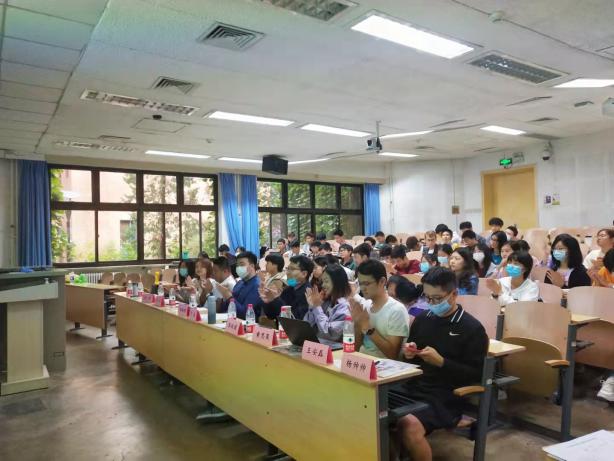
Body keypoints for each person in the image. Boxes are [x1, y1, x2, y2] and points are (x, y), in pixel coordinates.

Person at [395, 267, 488, 461]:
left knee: (408, 425)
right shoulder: (423, 319)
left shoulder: (472, 328)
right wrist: (409, 353)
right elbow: (411, 359)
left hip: (446, 395)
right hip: (414, 385)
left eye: (437, 299)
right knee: (376, 410)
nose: (431, 304)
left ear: (454, 294)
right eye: (427, 298)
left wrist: (442, 363)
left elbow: (475, 375)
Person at [349, 260, 409, 359]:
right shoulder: (365, 306)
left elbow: (393, 355)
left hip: (383, 366)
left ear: (382, 281)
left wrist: (367, 327)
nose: (362, 288)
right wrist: (357, 324)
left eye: (367, 283)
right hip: (362, 362)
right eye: (360, 283)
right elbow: (355, 349)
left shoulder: (396, 310)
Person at [303, 264, 351, 342]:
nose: (323, 285)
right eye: (322, 281)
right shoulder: (326, 301)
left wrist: (317, 307)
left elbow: (330, 334)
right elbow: (307, 326)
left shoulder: (345, 305)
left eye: (326, 281)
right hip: (317, 344)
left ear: (337, 282)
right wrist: (312, 306)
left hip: (335, 348)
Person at [259, 255, 314, 320]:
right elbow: (272, 316)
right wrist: (269, 301)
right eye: (287, 268)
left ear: (304, 274)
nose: (287, 272)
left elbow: (295, 320)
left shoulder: (308, 294)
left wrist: (276, 300)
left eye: (292, 269)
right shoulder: (289, 289)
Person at [216, 251, 261, 319]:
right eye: (237, 265)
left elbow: (245, 314)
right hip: (229, 320)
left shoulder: (257, 286)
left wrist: (229, 297)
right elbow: (225, 309)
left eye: (242, 264)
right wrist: (224, 298)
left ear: (252, 266)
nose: (239, 267)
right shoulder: (239, 283)